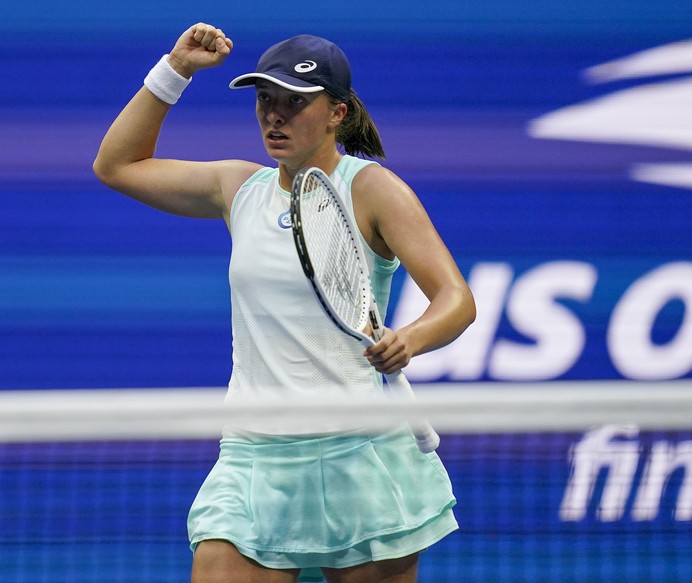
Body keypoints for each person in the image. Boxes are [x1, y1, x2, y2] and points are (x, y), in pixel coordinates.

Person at [93, 22, 476, 583]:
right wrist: (175, 70)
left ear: (337, 113)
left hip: (358, 452)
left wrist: (409, 338)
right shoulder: (238, 189)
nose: (274, 115)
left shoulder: (371, 189)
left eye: (294, 102)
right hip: (254, 453)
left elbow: (456, 299)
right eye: (265, 100)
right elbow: (117, 165)